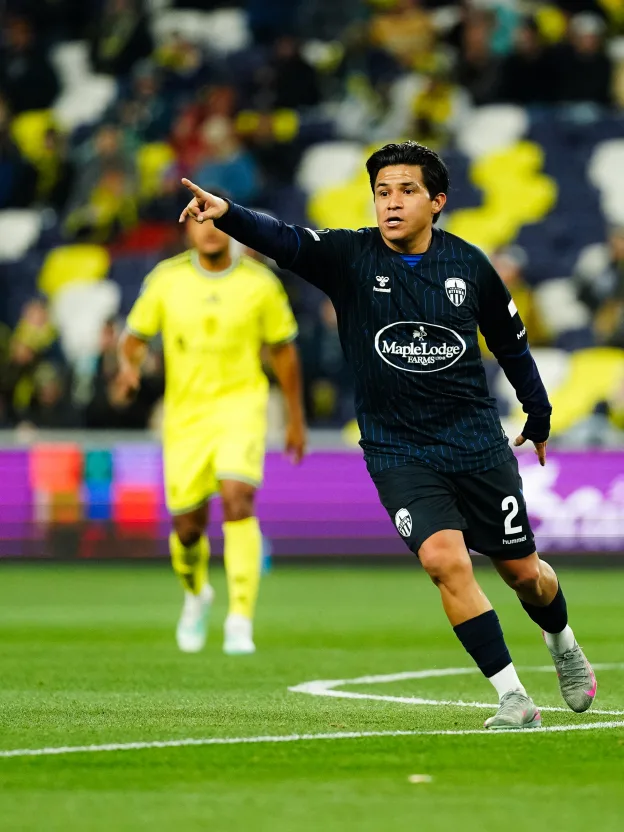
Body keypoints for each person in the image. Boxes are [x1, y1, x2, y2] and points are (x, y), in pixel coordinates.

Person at [179, 141, 596, 729]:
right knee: (443, 561)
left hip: (475, 442)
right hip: (397, 448)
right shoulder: (349, 256)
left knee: (524, 574)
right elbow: (286, 240)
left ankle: (563, 644)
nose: (391, 203)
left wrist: (539, 411)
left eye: (406, 191)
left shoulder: (469, 265)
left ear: (437, 201)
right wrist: (229, 213)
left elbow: (511, 343)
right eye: (382, 192)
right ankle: (512, 696)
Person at [119, 201, 305, 655]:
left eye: (217, 221)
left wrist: (296, 418)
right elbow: (134, 338)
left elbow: (283, 351)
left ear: (231, 228)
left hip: (241, 407)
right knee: (187, 528)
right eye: (199, 222)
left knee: (238, 498)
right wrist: (128, 367)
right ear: (187, 230)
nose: (209, 230)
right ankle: (196, 593)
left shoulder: (260, 284)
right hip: (185, 418)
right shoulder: (166, 280)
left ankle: (240, 618)